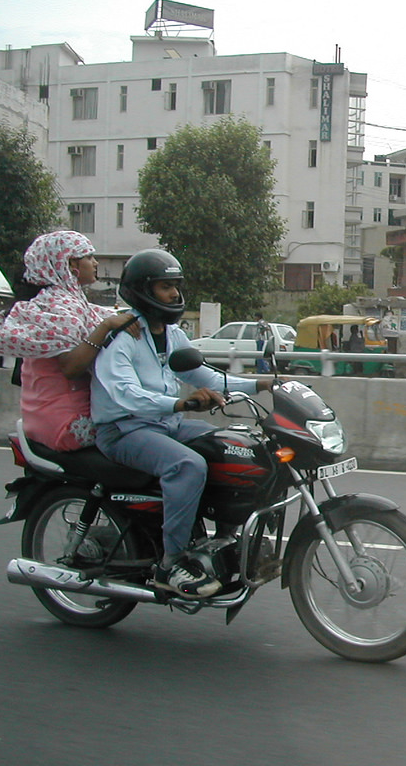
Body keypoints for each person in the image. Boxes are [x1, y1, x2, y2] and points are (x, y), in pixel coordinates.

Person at [91, 249, 272, 598]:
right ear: (143, 290)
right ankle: (170, 564)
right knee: (187, 465)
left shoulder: (171, 334)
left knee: (235, 448)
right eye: (165, 287)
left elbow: (201, 374)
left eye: (176, 285)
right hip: (125, 430)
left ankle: (224, 541)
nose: (175, 294)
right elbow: (125, 393)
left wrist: (260, 384)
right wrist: (180, 402)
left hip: (165, 424)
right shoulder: (123, 334)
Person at [0, 231, 138, 451]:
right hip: (65, 422)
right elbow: (71, 367)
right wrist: (107, 326)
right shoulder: (59, 307)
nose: (95, 263)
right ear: (71, 264)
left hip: (48, 416)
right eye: (89, 257)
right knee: (141, 430)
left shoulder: (67, 301)